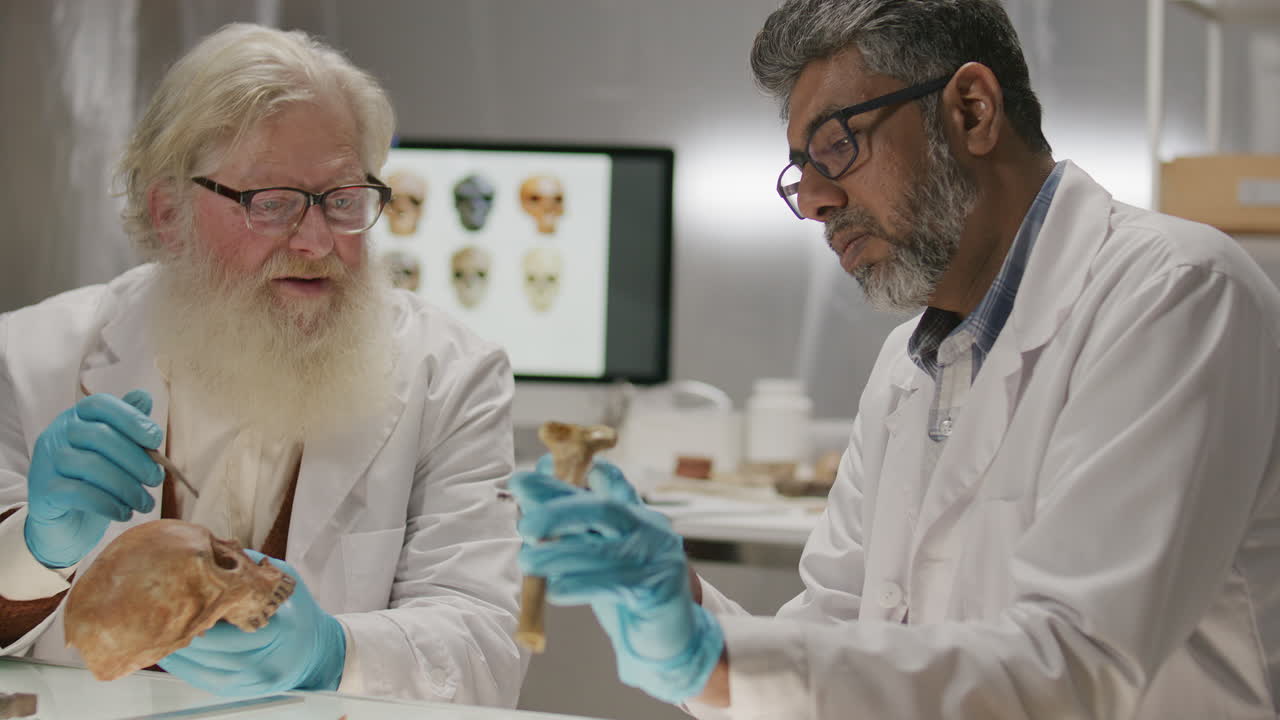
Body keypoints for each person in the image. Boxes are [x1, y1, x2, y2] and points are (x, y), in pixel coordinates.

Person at [510, 1, 1280, 718]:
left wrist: (712, 660)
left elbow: (1073, 666)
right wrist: (680, 606)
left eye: (836, 146)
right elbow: (835, 639)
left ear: (971, 110)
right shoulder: (909, 366)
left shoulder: (1176, 295)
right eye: (800, 170)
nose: (814, 200)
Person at [0, 23, 525, 706]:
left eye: (343, 200)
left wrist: (334, 653)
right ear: (169, 213)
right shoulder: (26, 358)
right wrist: (33, 552)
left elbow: (485, 645)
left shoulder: (452, 376)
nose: (316, 242)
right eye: (272, 203)